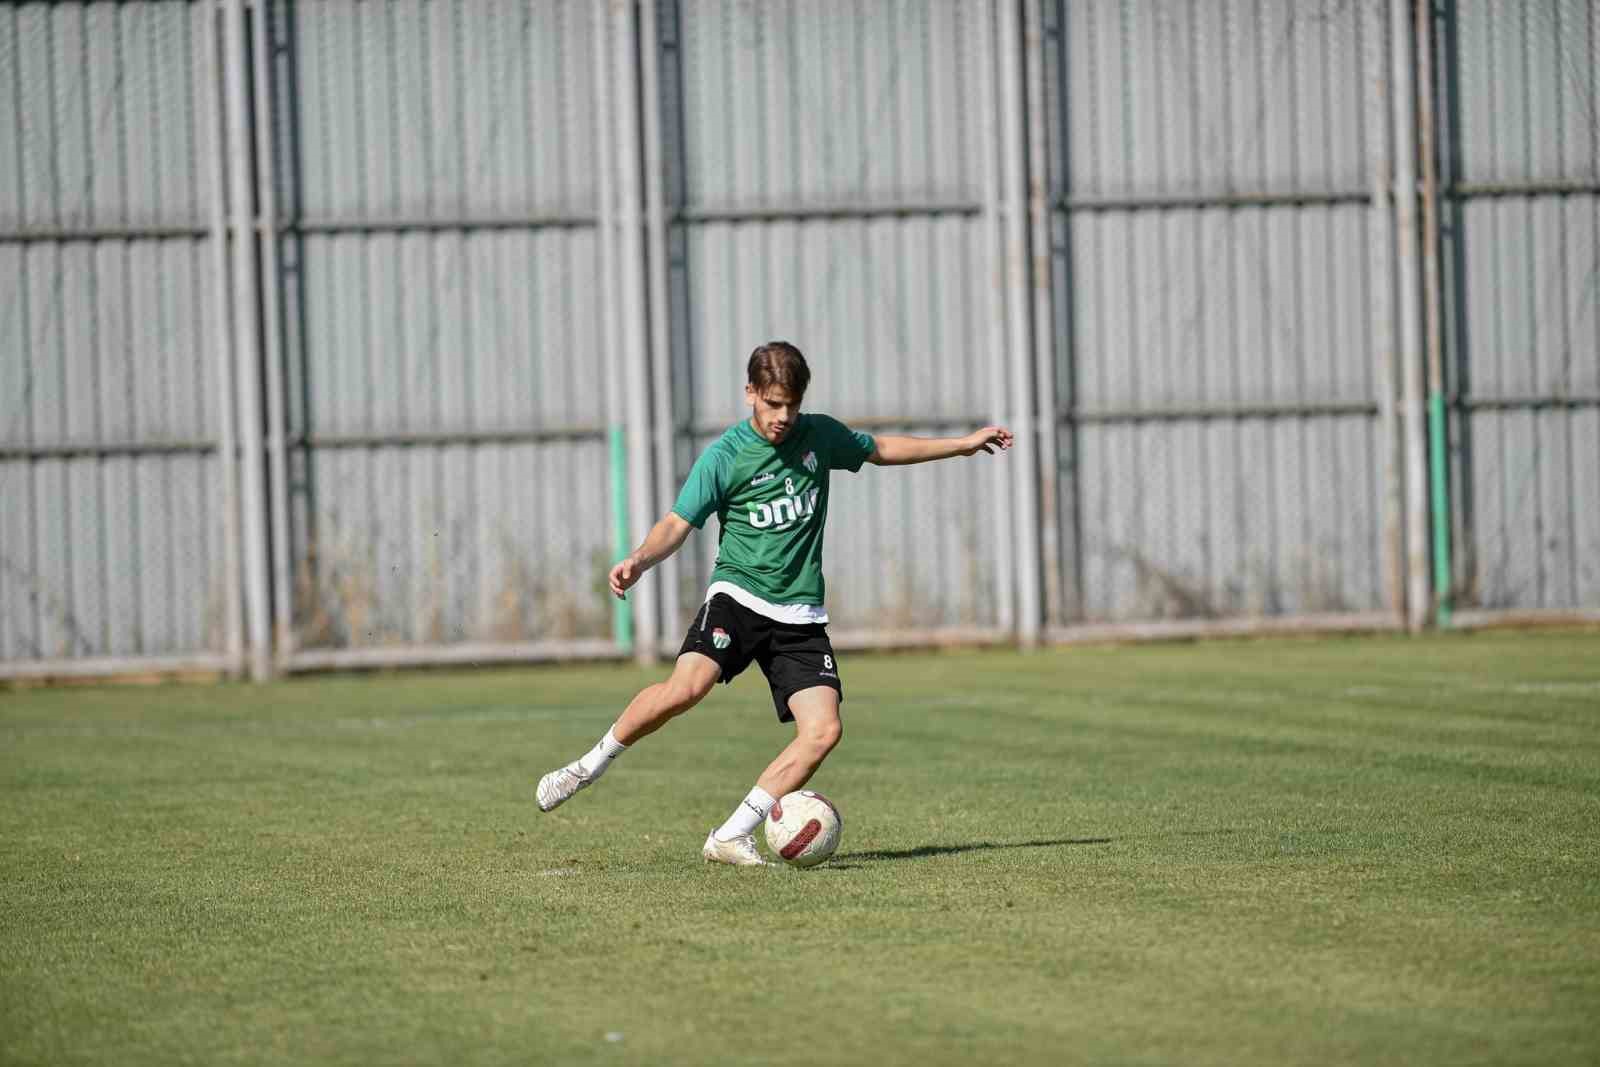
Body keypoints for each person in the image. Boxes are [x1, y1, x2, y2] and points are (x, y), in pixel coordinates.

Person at [535, 342, 1013, 865]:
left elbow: (880, 448)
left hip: (801, 613)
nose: (783, 417)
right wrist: (639, 560)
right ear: (751, 395)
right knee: (685, 689)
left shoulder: (820, 435)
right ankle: (588, 765)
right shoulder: (724, 457)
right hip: (738, 596)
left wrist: (963, 444)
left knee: (824, 731)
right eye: (773, 404)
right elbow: (676, 524)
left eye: (792, 405)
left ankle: (729, 835)